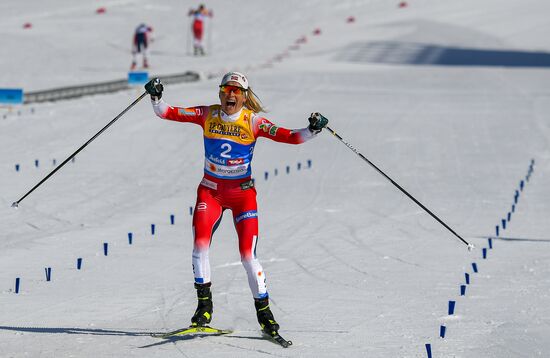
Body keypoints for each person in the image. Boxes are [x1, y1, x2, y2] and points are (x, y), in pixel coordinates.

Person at [144, 72, 328, 338]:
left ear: (244, 96)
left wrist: (312, 129)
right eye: (226, 90)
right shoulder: (207, 114)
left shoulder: (253, 121)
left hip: (242, 195)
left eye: (236, 91)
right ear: (220, 93)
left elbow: (289, 136)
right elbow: (166, 112)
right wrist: (155, 96)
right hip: (211, 192)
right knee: (199, 246)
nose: (231, 95)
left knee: (247, 255)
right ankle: (203, 309)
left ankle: (265, 315)